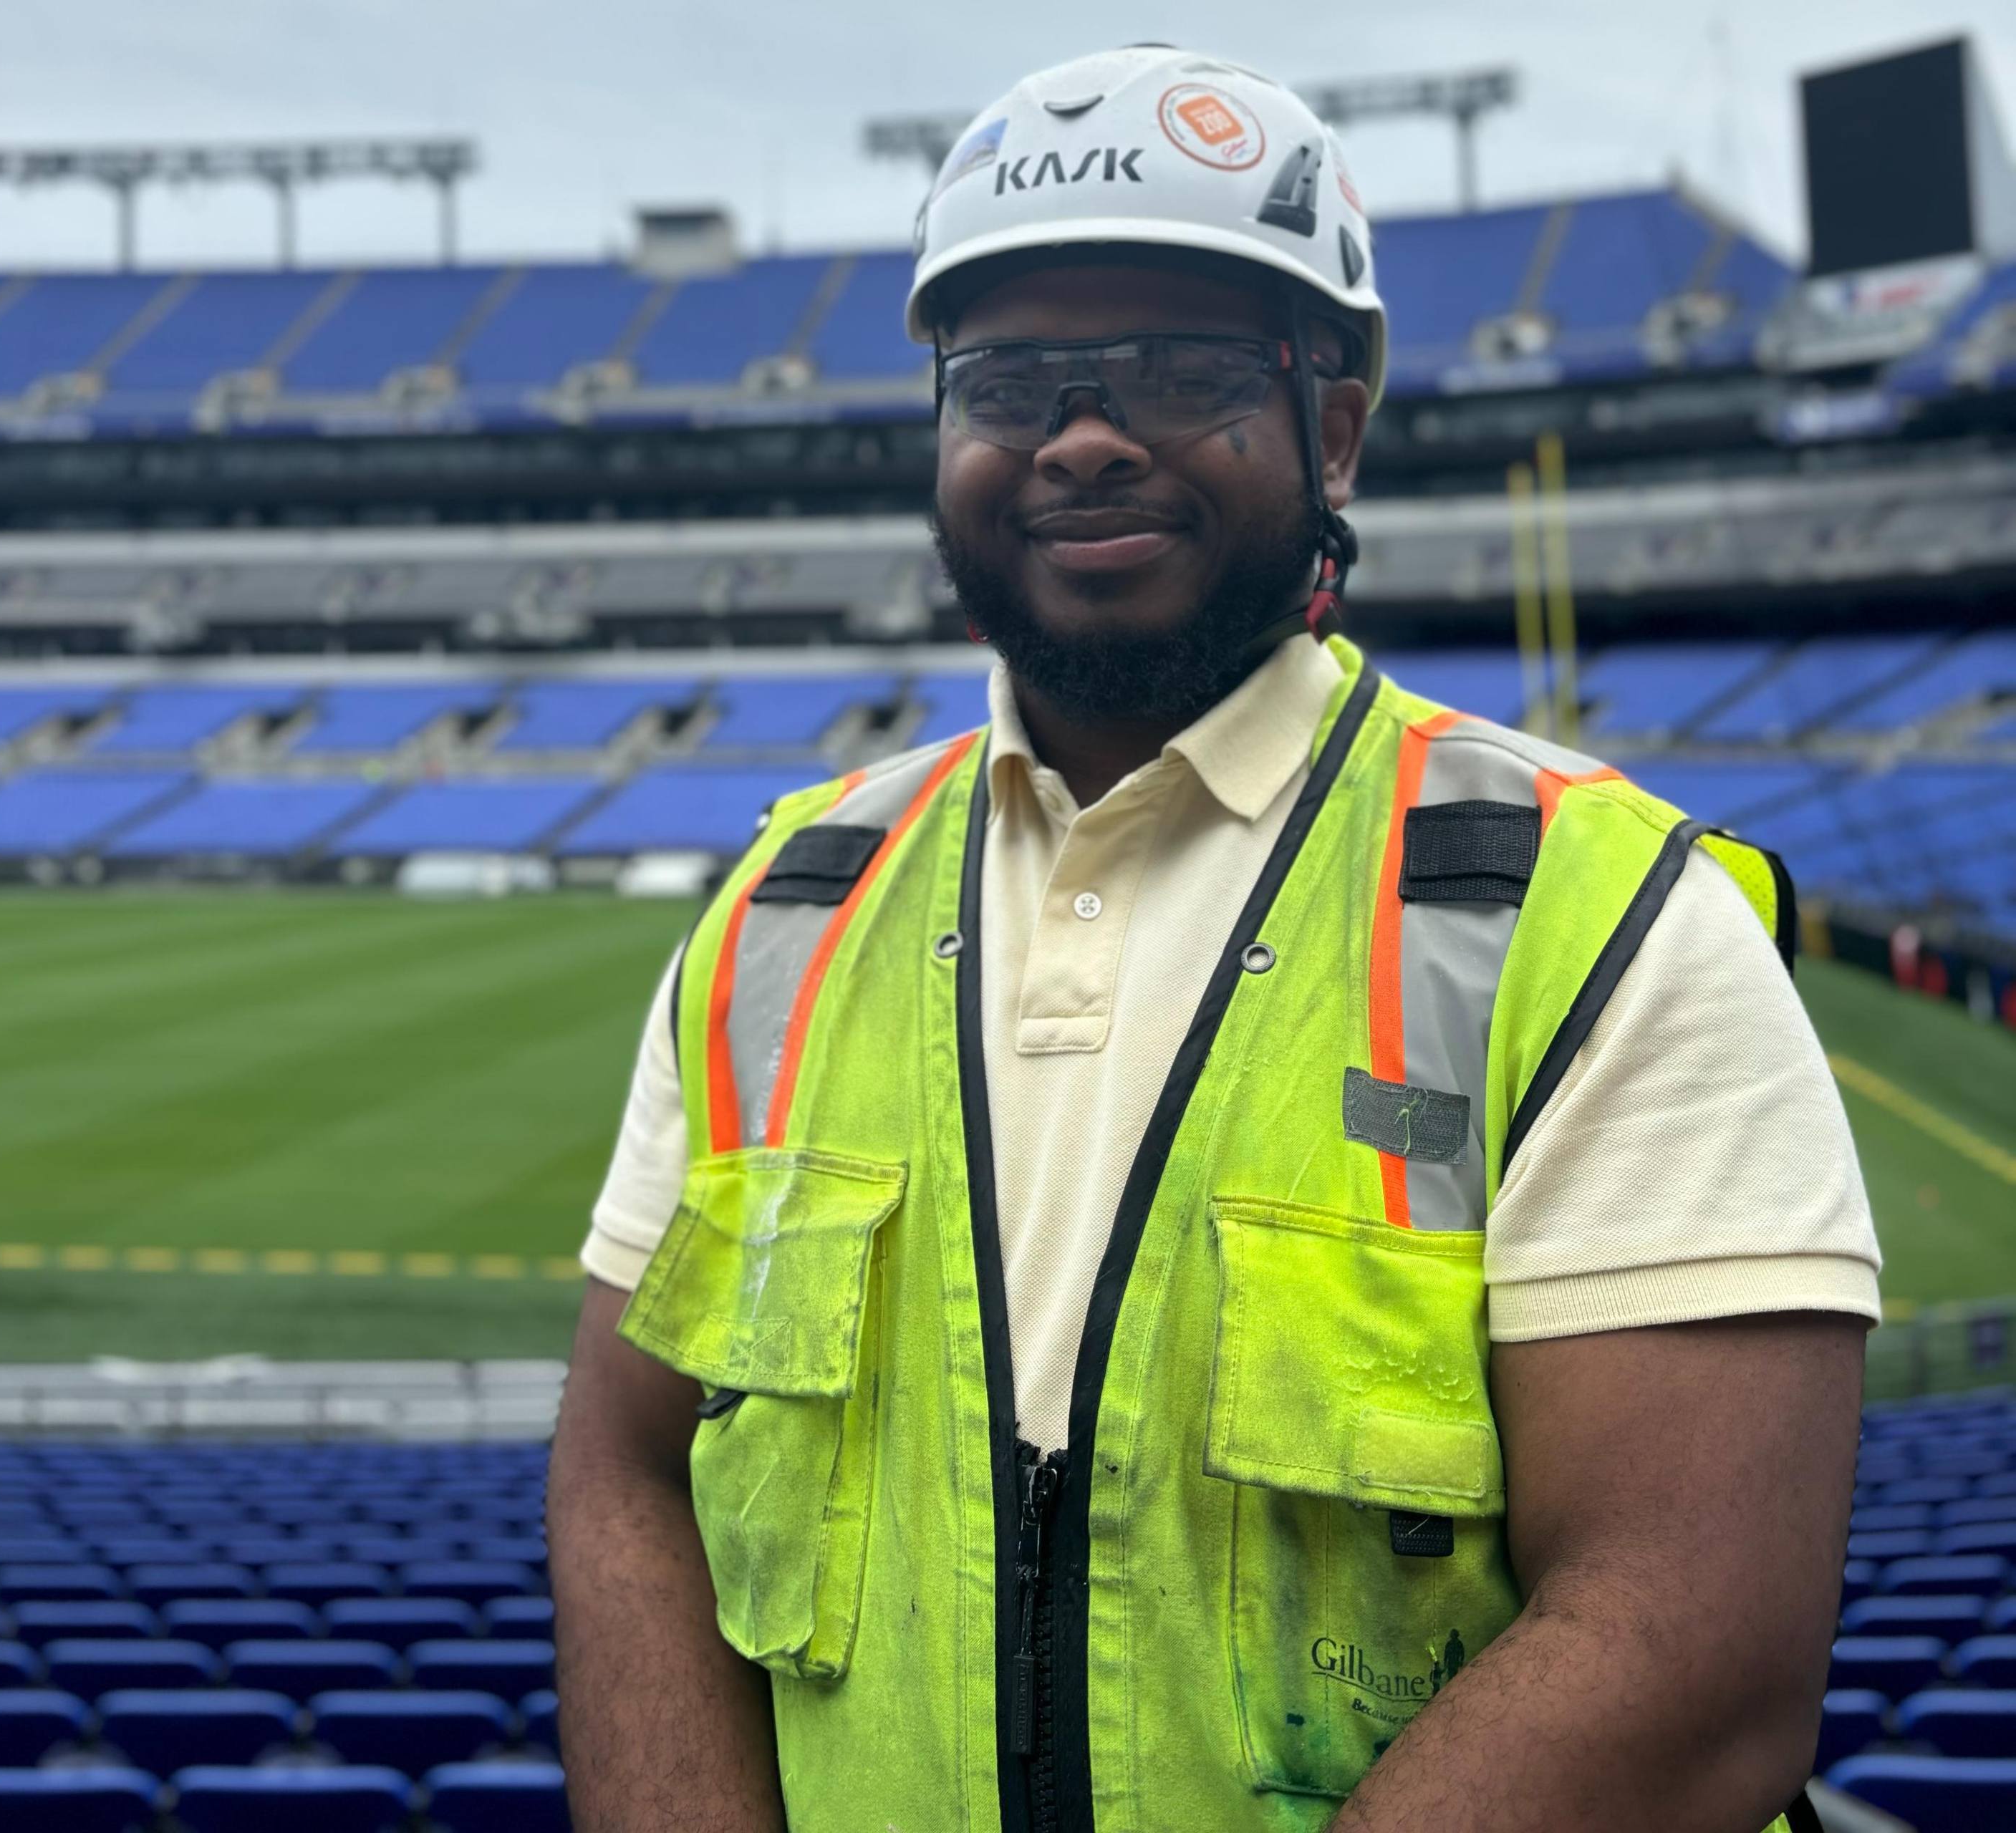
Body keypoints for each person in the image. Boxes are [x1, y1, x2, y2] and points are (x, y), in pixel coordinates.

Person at [546, 44, 1879, 1833]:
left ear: (1330, 426)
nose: (1084, 434)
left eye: (1179, 372)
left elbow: (1691, 1657)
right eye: (1013, 380)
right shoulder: (787, 905)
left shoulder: (1600, 914)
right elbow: (627, 1467)